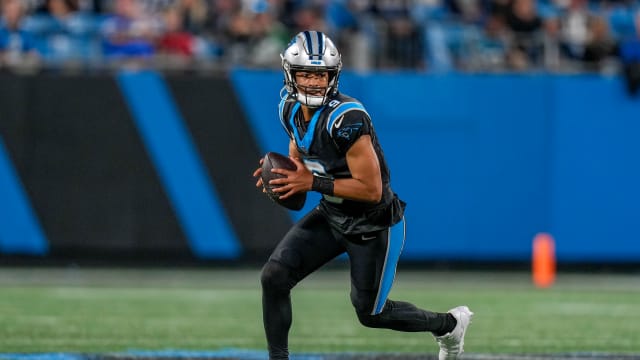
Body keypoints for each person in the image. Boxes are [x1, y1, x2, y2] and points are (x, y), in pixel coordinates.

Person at [253, 30, 473, 360]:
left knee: (371, 314)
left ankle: (448, 325)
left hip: (374, 223)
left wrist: (310, 182)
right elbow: (298, 145)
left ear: (333, 76)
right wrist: (286, 176)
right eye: (305, 74)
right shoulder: (288, 107)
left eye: (320, 75)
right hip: (333, 213)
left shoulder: (347, 118)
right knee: (274, 276)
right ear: (290, 74)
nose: (313, 83)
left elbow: (371, 190)